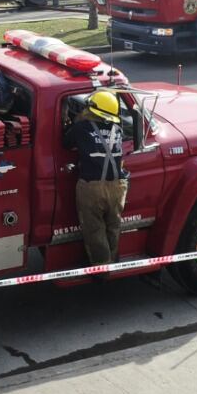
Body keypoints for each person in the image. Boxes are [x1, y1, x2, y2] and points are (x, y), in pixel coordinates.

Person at [63, 89, 128, 266]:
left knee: (94, 230)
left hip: (92, 187)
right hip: (118, 186)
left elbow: (66, 142)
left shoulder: (80, 128)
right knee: (113, 226)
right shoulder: (118, 129)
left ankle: (101, 269)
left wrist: (72, 120)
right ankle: (113, 260)